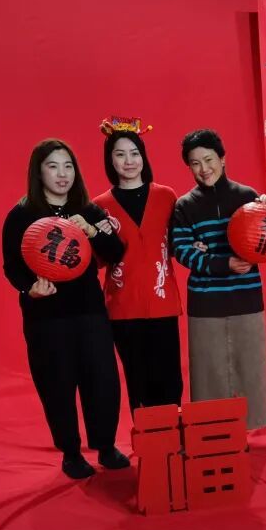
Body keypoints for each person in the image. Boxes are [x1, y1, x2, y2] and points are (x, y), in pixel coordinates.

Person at [2, 138, 131, 479]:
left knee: (102, 379)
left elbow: (115, 251)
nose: (62, 174)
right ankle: (71, 453)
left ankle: (106, 446)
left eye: (68, 166)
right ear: (39, 172)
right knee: (56, 383)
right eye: (53, 166)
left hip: (89, 311)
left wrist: (92, 231)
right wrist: (30, 288)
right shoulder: (21, 215)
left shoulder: (89, 211)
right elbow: (11, 266)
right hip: (46, 317)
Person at [170, 128, 266, 430]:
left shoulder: (248, 197)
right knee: (208, 375)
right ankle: (212, 433)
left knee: (250, 370)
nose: (204, 169)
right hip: (206, 303)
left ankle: (246, 433)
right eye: (195, 163)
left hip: (246, 298)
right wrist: (222, 263)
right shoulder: (184, 206)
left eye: (209, 159)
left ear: (222, 159)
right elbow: (182, 251)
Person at [92, 117, 183, 412]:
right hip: (123, 306)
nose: (129, 161)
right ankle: (147, 437)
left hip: (162, 302)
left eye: (134, 153)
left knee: (170, 381)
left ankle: (173, 435)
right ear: (110, 160)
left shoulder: (166, 197)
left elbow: (178, 243)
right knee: (137, 381)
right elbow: (98, 260)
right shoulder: (99, 206)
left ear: (143, 156)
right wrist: (96, 235)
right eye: (120, 154)